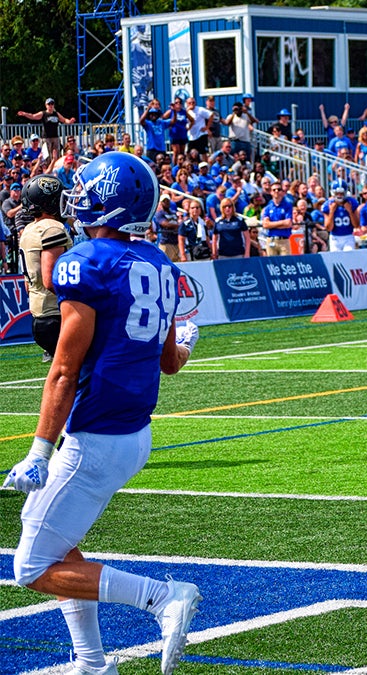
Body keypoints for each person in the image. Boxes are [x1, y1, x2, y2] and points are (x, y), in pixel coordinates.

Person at [4, 151, 202, 675]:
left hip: (95, 436)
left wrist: (39, 450)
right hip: (135, 435)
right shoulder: (159, 263)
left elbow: (65, 371)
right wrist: (186, 343)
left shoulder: (86, 262)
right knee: (58, 541)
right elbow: (170, 363)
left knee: (31, 566)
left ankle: (162, 597)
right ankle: (93, 663)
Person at [17, 175, 71, 359]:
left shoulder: (30, 229)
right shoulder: (52, 228)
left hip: (40, 315)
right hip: (56, 315)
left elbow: (27, 284)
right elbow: (50, 280)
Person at [261, 182, 295, 256]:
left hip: (284, 240)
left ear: (282, 192)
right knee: (272, 265)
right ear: (271, 192)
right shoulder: (268, 208)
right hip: (271, 240)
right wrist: (282, 223)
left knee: (285, 264)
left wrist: (272, 224)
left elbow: (288, 223)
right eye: (274, 190)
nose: (276, 191)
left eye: (279, 189)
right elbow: (265, 224)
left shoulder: (288, 206)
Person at [322, 185, 360, 252]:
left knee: (349, 255)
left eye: (341, 193)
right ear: (333, 193)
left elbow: (356, 225)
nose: (339, 195)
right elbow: (328, 228)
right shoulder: (328, 205)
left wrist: (350, 211)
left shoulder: (351, 203)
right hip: (335, 237)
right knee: (336, 260)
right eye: (337, 193)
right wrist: (331, 212)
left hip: (349, 236)